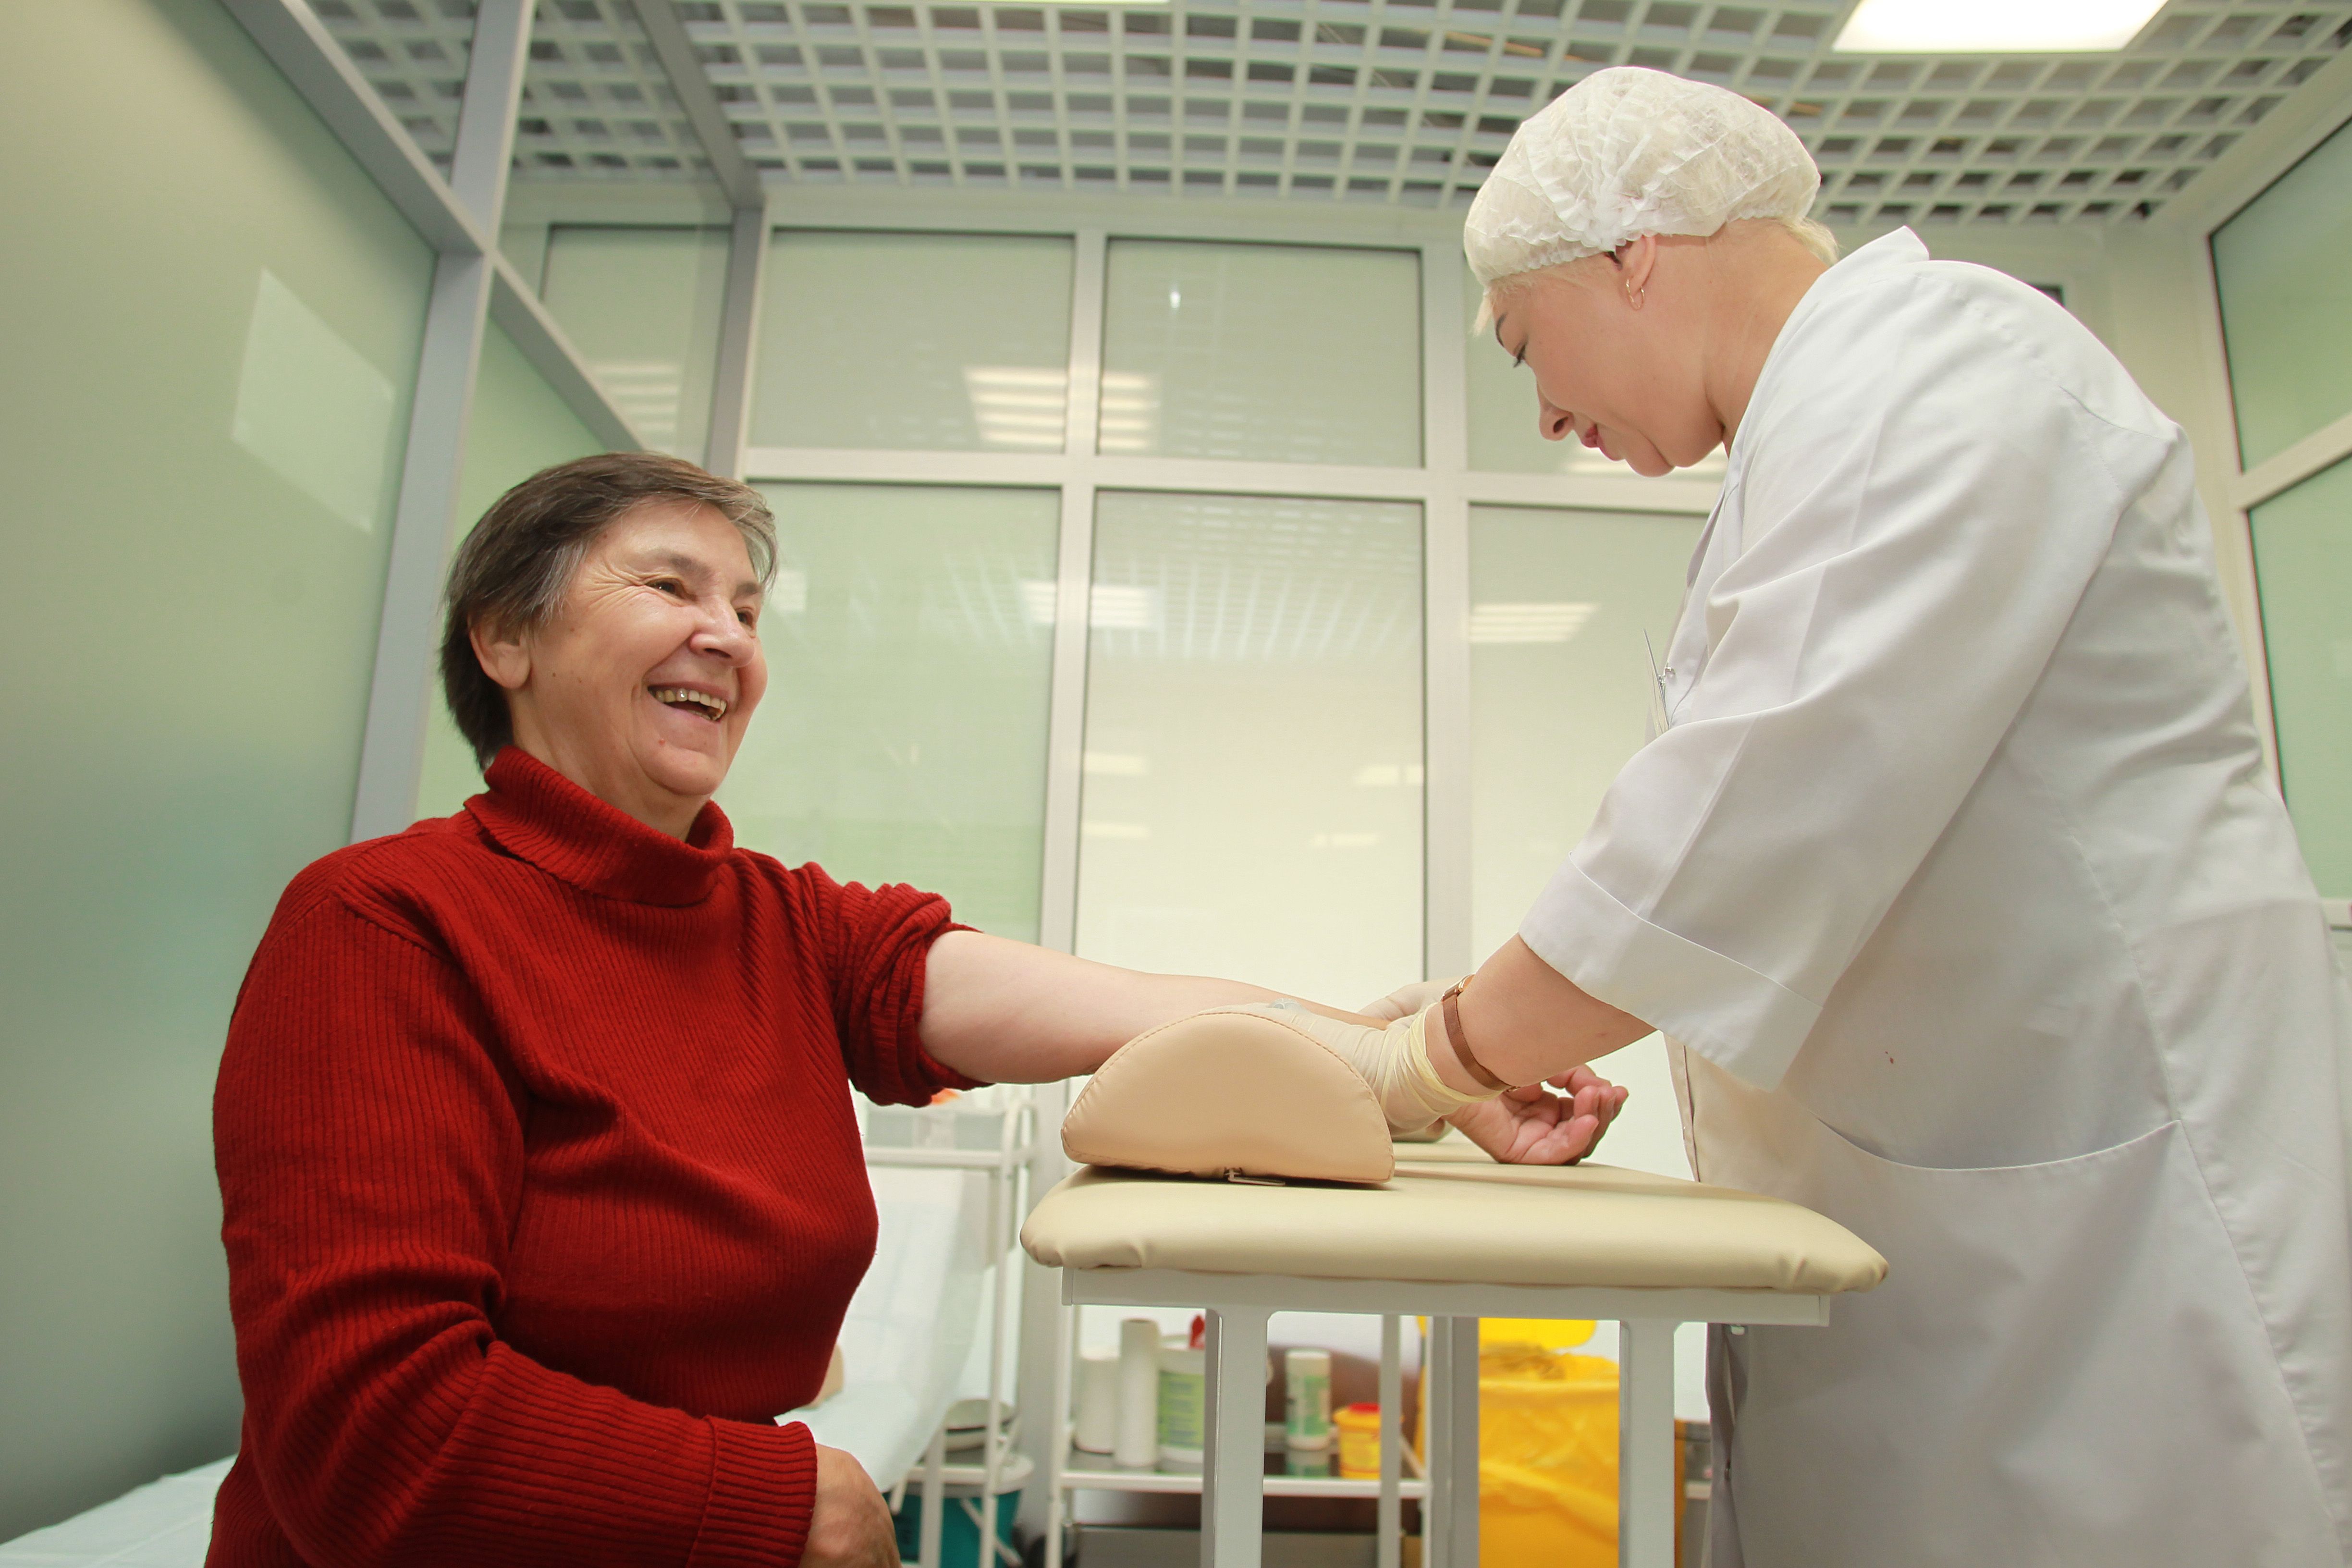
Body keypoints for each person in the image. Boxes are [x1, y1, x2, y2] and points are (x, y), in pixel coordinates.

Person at [208, 453, 1623, 1568]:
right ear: (506, 637)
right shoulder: (385, 925)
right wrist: (792, 1503)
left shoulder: (785, 924)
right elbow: (369, 1438)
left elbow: (1125, 1006)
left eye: (749, 610)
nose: (728, 635)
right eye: (669, 587)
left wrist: (1420, 1068)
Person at [1320, 65, 2352, 1566]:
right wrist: (1505, 1028)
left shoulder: (1946, 367)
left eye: (1532, 346)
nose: (1545, 410)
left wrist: (1433, 1059)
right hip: (1955, 1247)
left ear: (1634, 255)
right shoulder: (1823, 438)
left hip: (2112, 1255)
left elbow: (1749, 820)